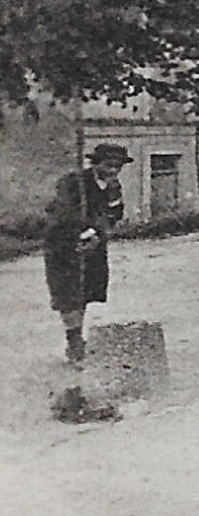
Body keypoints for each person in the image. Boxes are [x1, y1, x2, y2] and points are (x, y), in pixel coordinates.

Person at [44, 143, 134, 365]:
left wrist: (96, 231)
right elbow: (60, 212)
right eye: (109, 165)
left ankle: (77, 335)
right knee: (68, 292)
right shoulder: (74, 182)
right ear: (96, 163)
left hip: (93, 243)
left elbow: (114, 213)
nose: (113, 171)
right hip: (64, 244)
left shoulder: (113, 186)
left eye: (118, 166)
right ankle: (74, 340)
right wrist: (80, 230)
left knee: (85, 292)